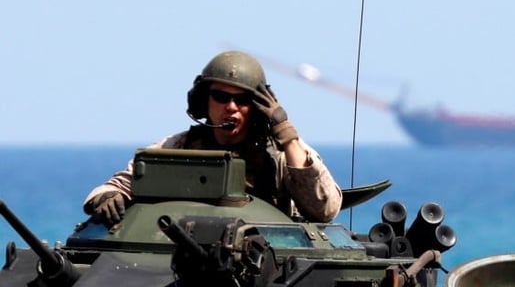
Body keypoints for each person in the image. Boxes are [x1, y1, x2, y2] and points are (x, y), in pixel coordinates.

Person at [83, 50, 342, 224]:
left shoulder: (282, 153)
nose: (231, 107)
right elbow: (117, 186)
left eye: (242, 100)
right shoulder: (178, 147)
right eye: (221, 97)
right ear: (203, 101)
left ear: (257, 107)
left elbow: (325, 209)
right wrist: (107, 197)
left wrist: (286, 133)